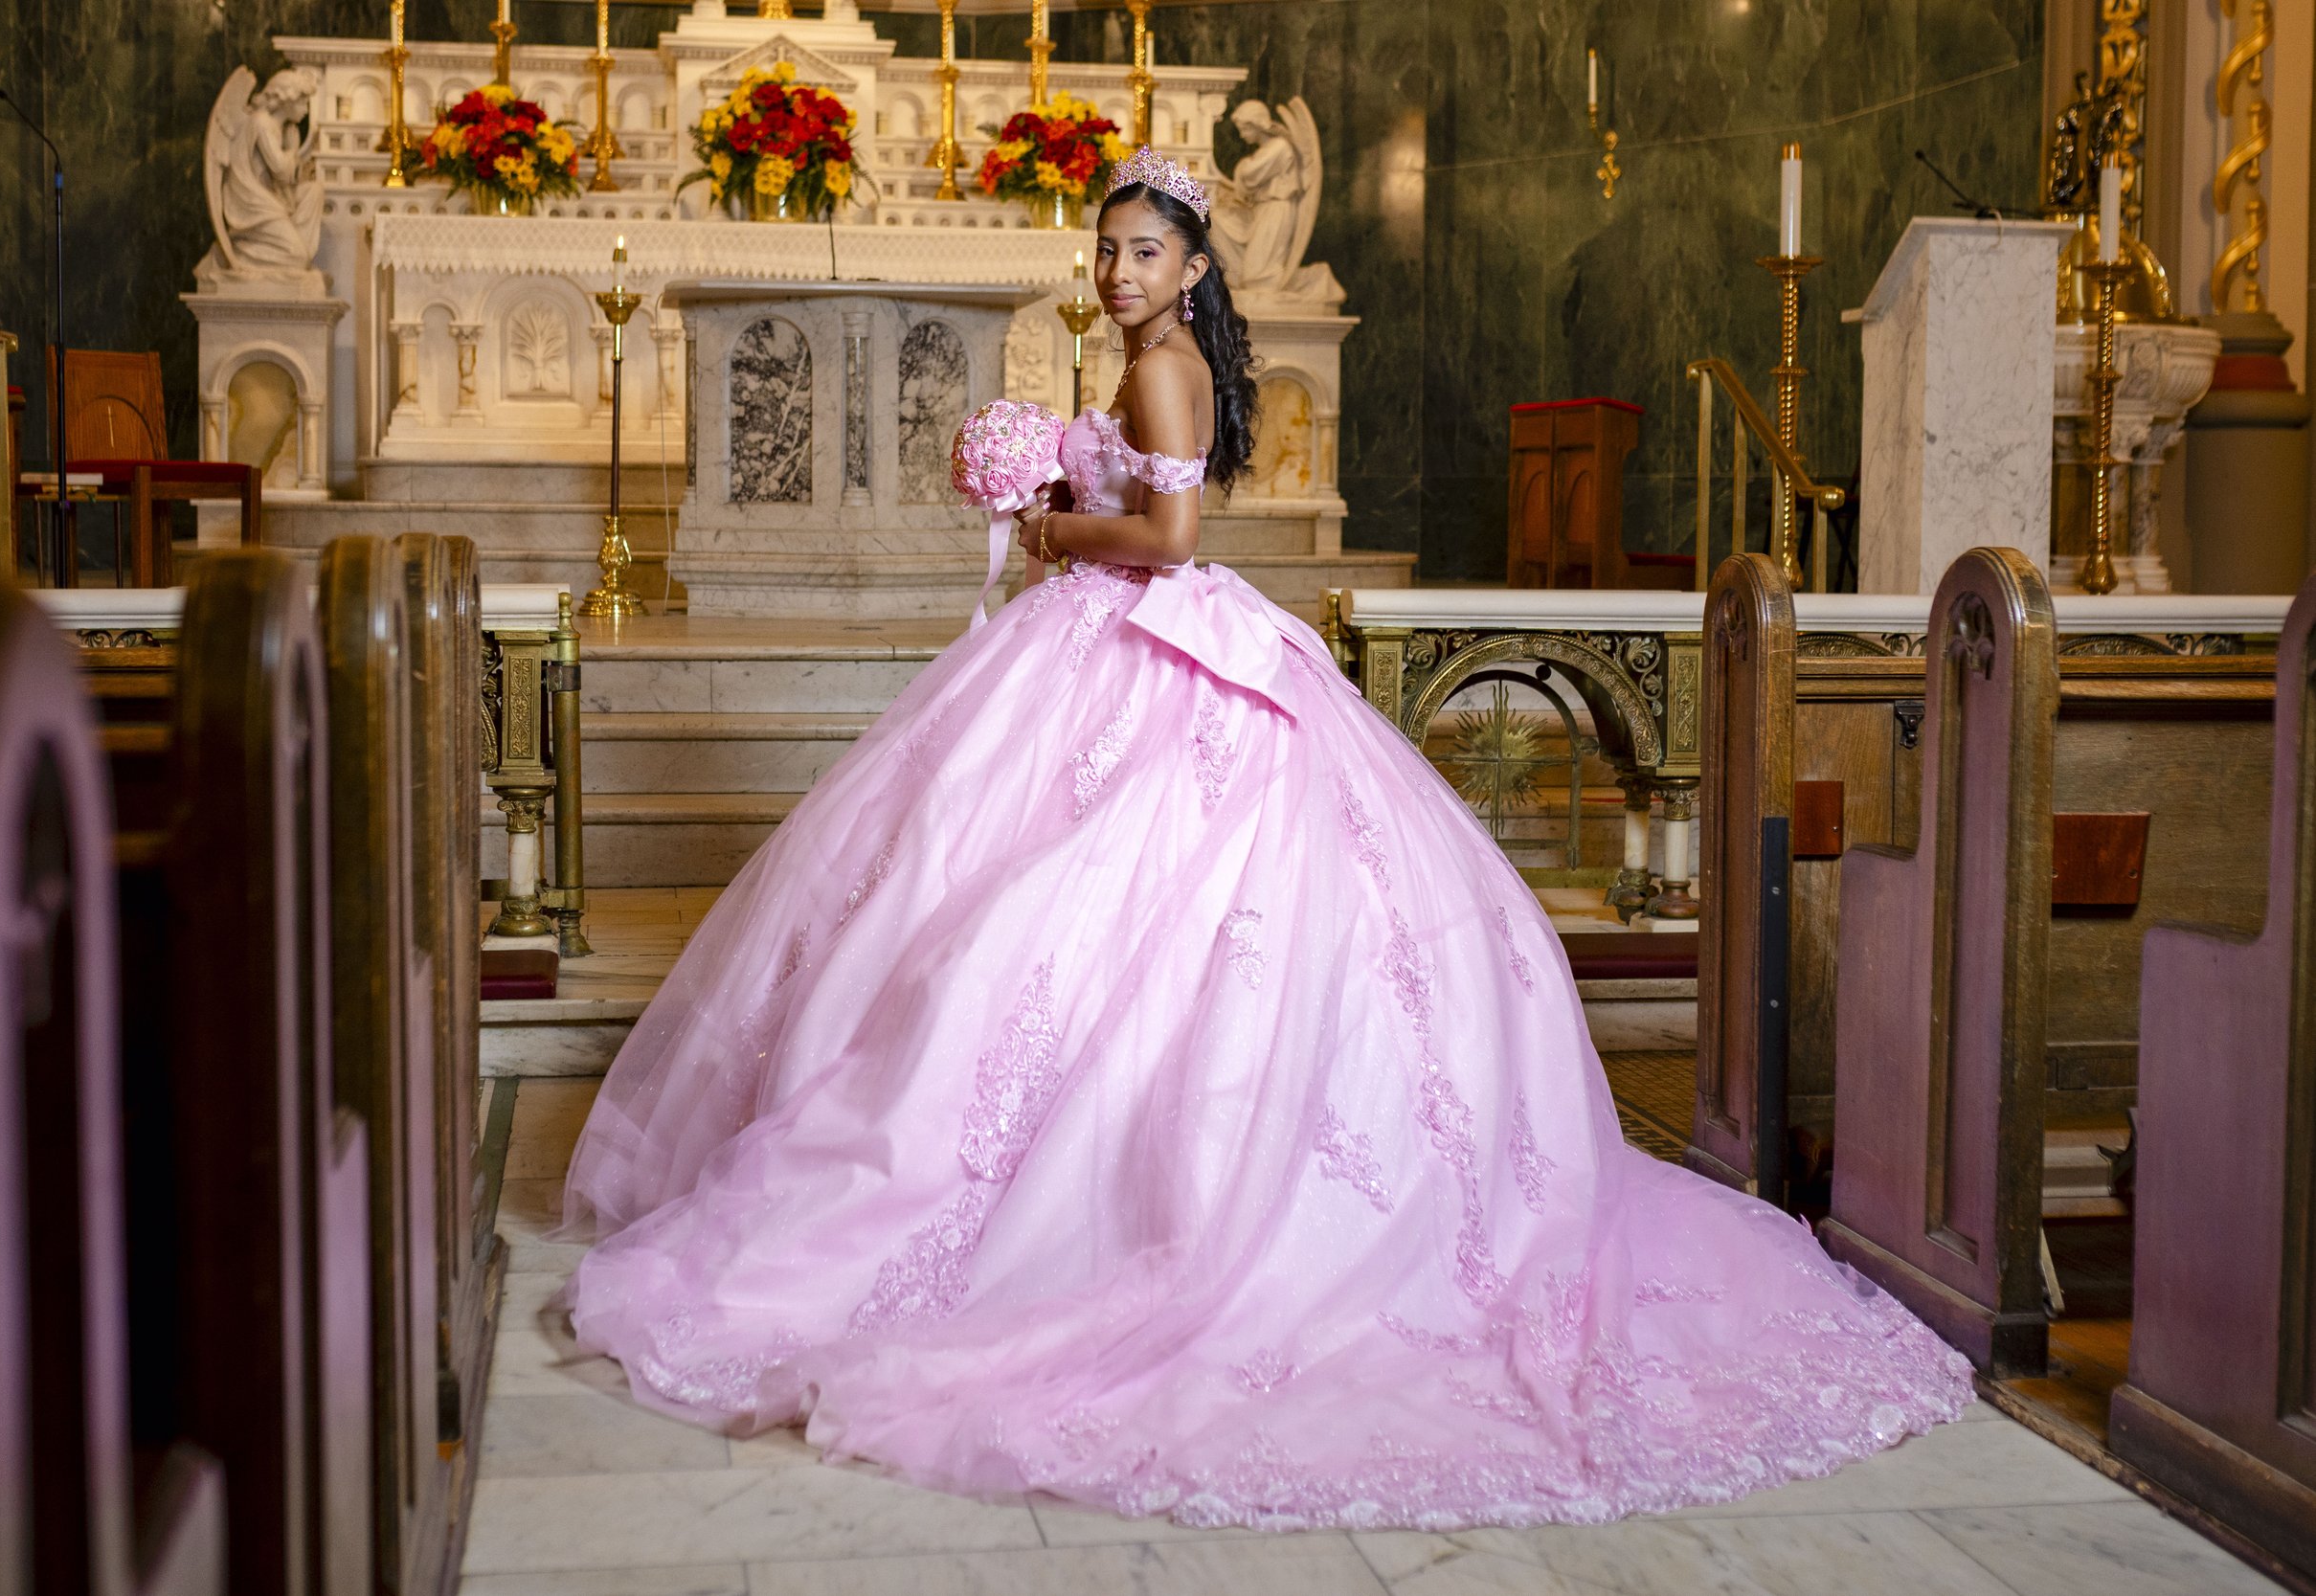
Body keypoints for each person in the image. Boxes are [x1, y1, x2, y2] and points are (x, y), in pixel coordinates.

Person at [560, 148, 1970, 1531]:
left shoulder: (1166, 364)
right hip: (1109, 642)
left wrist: (1054, 529)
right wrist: (1053, 480)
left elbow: (1169, 539)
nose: (1119, 272)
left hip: (1145, 629)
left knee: (1103, 901)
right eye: (1107, 250)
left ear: (1192, 268)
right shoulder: (1157, 357)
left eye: (1145, 253)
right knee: (1004, 894)